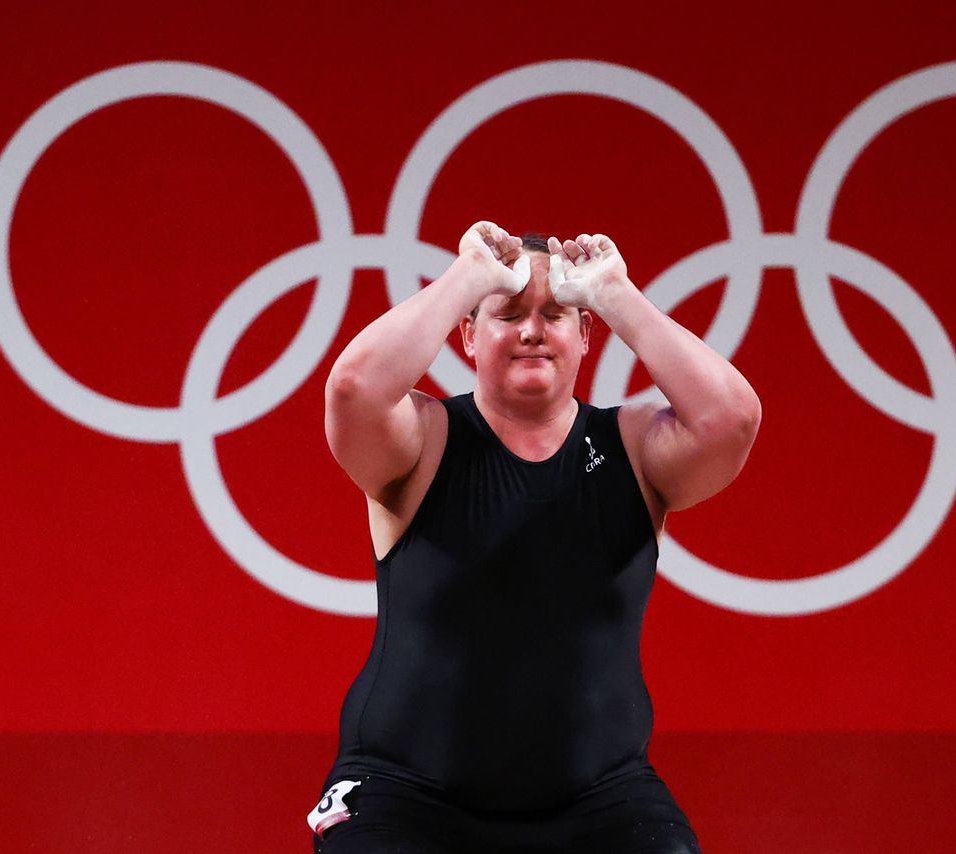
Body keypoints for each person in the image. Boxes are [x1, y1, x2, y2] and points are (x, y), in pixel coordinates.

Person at [311, 221, 761, 853]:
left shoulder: (635, 450)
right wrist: (467, 278)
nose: (531, 331)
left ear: (586, 335)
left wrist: (617, 295)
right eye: (507, 314)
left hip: (599, 799)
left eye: (555, 315)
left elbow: (731, 419)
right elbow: (353, 389)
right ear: (468, 335)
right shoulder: (422, 441)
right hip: (406, 796)